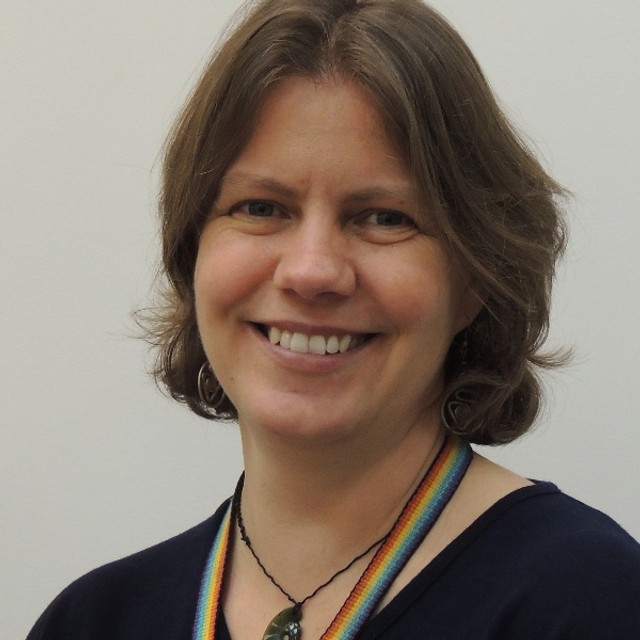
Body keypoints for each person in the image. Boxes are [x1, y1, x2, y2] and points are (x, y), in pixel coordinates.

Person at [28, 0, 640, 638]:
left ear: (476, 279)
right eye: (261, 207)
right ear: (193, 255)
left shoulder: (587, 602)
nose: (311, 271)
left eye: (384, 218)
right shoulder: (94, 620)